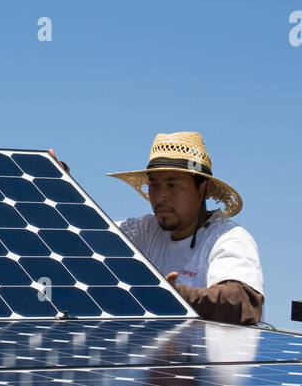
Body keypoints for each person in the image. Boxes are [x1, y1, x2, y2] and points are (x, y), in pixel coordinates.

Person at [105, 132, 264, 326]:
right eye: (154, 185)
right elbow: (87, 234)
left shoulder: (229, 238)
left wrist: (176, 296)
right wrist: (60, 184)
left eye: (172, 185)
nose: (161, 196)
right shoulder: (143, 230)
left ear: (204, 189)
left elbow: (241, 301)